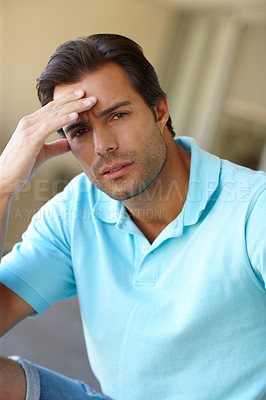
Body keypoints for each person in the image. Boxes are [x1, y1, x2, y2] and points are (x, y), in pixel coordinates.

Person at [0, 33, 265, 400]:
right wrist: (2, 186)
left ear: (159, 111)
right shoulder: (75, 210)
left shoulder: (254, 207)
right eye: (80, 130)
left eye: (118, 115)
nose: (103, 145)